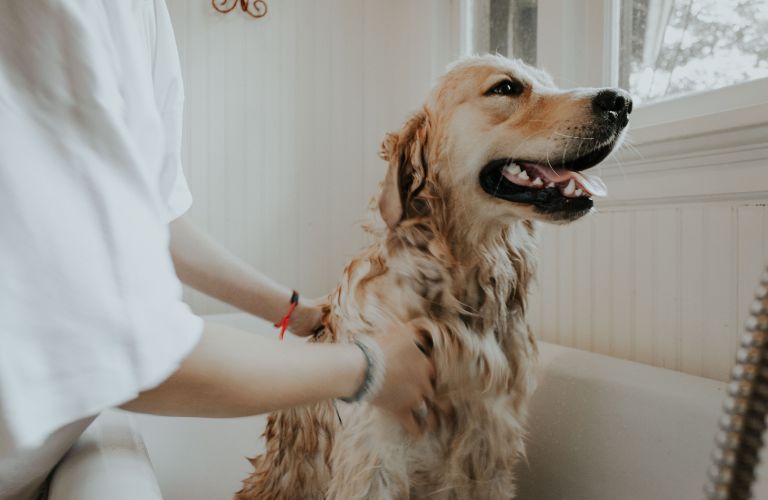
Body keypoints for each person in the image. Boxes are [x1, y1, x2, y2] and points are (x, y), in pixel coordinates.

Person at [0, 2, 435, 499]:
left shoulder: (140, 13)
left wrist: (295, 311)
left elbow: (154, 222)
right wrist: (369, 369)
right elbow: (120, 345)